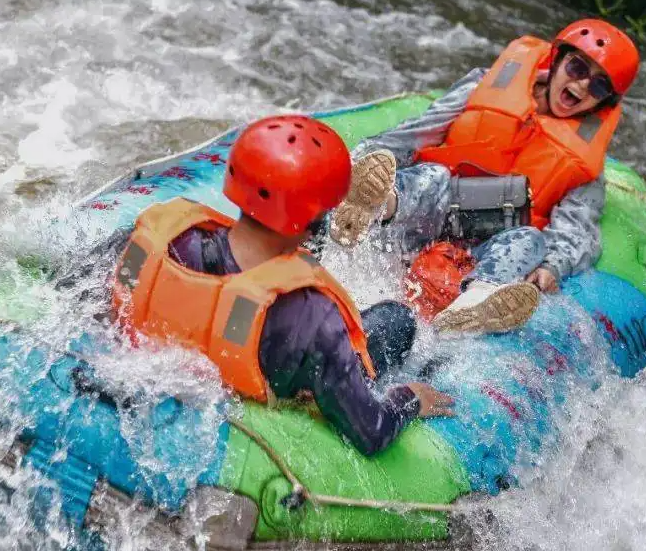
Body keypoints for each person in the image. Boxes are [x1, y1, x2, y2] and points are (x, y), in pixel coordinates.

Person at [111, 115, 453, 456]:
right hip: (277, 372)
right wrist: (411, 399)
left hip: (180, 361)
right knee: (397, 320)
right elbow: (370, 430)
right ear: (315, 220)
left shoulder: (171, 238)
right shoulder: (313, 315)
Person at [329, 18, 640, 334]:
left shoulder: (587, 167)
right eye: (577, 68)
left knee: (532, 240)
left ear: (605, 101)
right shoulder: (484, 87)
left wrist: (552, 267)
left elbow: (577, 231)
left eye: (599, 85)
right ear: (557, 60)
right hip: (425, 218)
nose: (584, 84)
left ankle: (472, 307)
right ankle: (371, 207)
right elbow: (414, 135)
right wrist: (356, 163)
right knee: (433, 176)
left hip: (483, 250)